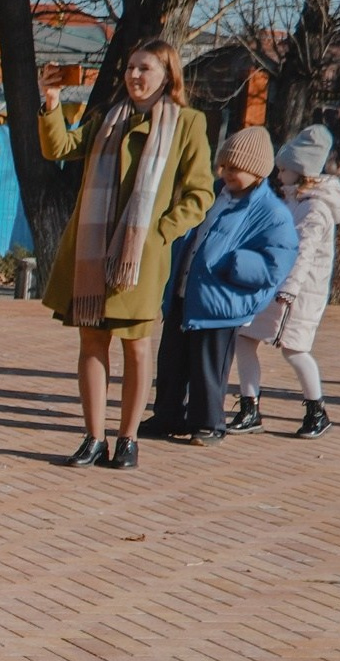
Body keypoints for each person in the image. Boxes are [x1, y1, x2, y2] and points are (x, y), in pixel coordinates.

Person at [39, 39, 215, 470]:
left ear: (167, 75)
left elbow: (200, 192)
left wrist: (160, 232)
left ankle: (128, 439)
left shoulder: (187, 123)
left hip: (139, 257)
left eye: (146, 69)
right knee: (92, 342)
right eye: (131, 67)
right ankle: (93, 437)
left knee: (137, 347)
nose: (135, 76)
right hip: (91, 251)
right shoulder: (107, 116)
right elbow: (59, 149)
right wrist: (51, 102)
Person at [147, 128, 297, 446]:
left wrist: (235, 264)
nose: (226, 173)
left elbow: (276, 263)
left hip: (222, 302)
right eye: (224, 166)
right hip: (184, 293)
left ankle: (209, 424)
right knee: (171, 360)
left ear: (257, 171)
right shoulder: (212, 195)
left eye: (235, 168)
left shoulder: (271, 212)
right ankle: (167, 415)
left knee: (208, 367)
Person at [231, 125, 340, 438]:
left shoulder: (315, 207)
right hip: (274, 286)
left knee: (294, 350)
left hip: (298, 292)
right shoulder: (291, 200)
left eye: (284, 169)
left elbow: (304, 253)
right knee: (244, 339)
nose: (278, 174)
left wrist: (289, 290)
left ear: (302, 170)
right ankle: (250, 406)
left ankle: (316, 409)